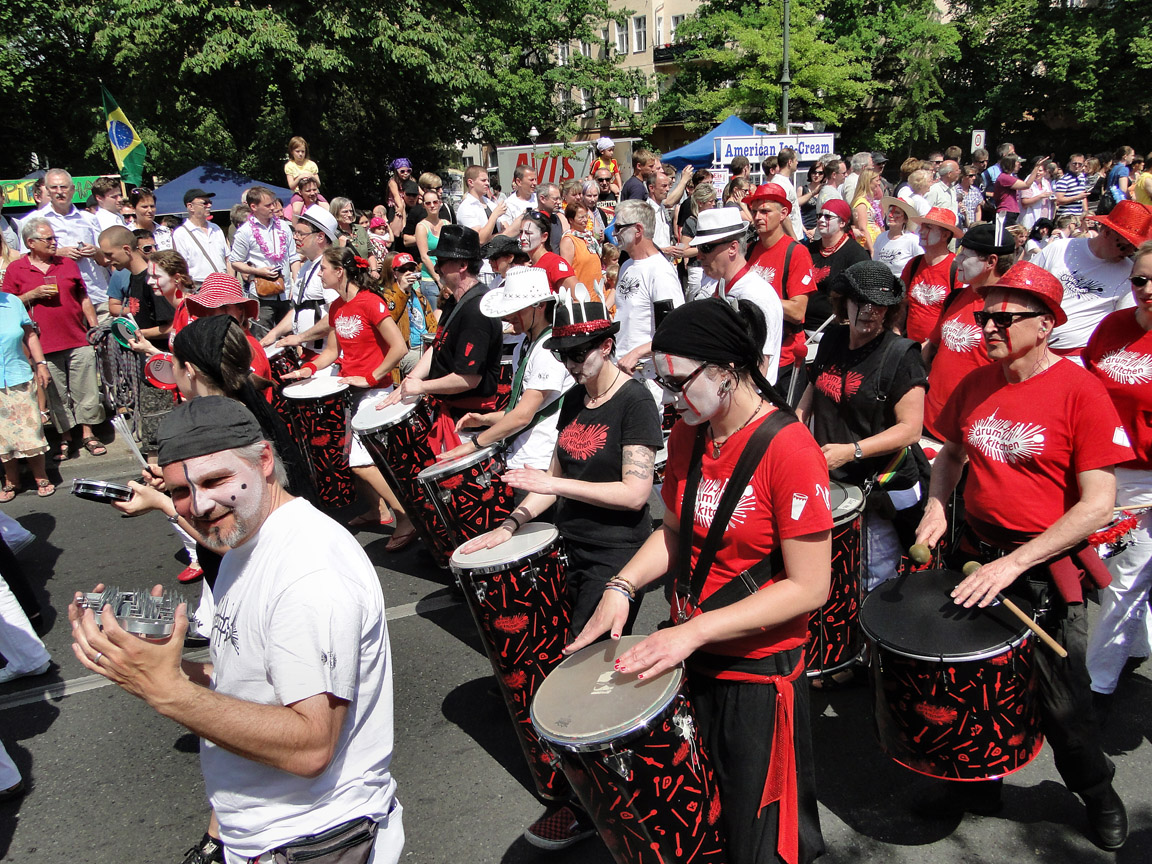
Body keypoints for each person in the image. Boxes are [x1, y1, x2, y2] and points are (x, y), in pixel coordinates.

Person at [70, 396, 405, 864]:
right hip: (268, 835)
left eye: (215, 480)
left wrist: (165, 691)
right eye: (181, 490)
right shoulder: (244, 540)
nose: (199, 505)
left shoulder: (309, 574)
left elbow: (311, 746)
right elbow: (249, 677)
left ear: (264, 461)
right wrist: (154, 665)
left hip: (313, 842)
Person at [566, 296, 832, 864]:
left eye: (680, 381)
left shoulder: (790, 449)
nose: (670, 397)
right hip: (695, 654)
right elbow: (674, 531)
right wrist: (622, 586)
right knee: (697, 824)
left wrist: (694, 630)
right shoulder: (691, 432)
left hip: (759, 673)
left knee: (758, 840)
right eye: (662, 382)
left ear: (727, 372)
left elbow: (811, 588)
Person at [913, 262, 1130, 850]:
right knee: (972, 685)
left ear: (1046, 324)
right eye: (984, 315)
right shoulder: (977, 381)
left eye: (1003, 318)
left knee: (1062, 700)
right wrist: (937, 505)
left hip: (1042, 570)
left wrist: (1015, 563)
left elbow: (1098, 505)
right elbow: (951, 455)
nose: (987, 326)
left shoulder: (1080, 390)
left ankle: (1096, 790)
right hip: (973, 557)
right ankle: (978, 783)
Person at [460, 294, 662, 850]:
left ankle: (589, 806)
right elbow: (548, 478)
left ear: (606, 346)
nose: (571, 363)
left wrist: (556, 487)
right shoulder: (574, 400)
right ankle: (598, 784)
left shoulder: (636, 402)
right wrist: (511, 524)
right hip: (566, 546)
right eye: (564, 353)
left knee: (584, 673)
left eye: (579, 353)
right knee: (560, 664)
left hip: (616, 554)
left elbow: (635, 493)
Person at [798, 260, 928, 597]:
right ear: (845, 303)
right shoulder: (833, 338)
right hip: (830, 482)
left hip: (878, 488)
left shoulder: (901, 355)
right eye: (862, 302)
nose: (870, 312)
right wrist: (796, 426)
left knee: (873, 579)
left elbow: (911, 430)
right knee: (829, 575)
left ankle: (871, 646)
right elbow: (812, 389)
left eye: (880, 306)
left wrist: (852, 451)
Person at [279, 247, 413, 540]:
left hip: (376, 392)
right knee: (347, 456)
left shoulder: (370, 302)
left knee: (363, 463)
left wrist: (371, 376)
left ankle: (406, 517)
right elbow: (331, 351)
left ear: (340, 271)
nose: (321, 273)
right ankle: (378, 510)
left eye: (324, 268)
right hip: (349, 389)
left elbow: (399, 348)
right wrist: (308, 369)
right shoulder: (338, 307)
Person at [1084, 241, 1152, 709]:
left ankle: (1096, 685)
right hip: (1101, 471)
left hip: (1147, 482)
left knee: (1123, 581)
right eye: (1141, 280)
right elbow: (1086, 386)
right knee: (1110, 572)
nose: (1146, 289)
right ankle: (1138, 646)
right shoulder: (1114, 324)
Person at [441, 266, 573, 470]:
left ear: (538, 306)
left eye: (517, 310)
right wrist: (484, 419)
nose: (508, 317)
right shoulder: (525, 345)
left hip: (540, 462)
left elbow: (523, 415)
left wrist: (474, 444)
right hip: (523, 458)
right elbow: (520, 410)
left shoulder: (548, 350)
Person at [382, 225, 503, 433]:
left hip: (470, 421)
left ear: (463, 265)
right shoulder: (456, 301)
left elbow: (469, 378)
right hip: (452, 412)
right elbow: (438, 345)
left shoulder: (477, 310)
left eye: (442, 262)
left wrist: (422, 387)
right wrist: (411, 380)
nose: (436, 268)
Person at [4, 217, 105, 460]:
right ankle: (65, 437)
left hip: (76, 336)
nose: (54, 242)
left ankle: (88, 433)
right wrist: (32, 294)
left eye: (53, 238)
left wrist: (94, 328)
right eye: (47, 239)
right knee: (55, 393)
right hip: (44, 342)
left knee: (86, 389)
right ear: (31, 242)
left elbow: (83, 297)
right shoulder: (16, 268)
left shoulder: (66, 264)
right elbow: (6, 305)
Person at [922, 222, 1015, 440]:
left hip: (969, 433)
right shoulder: (956, 296)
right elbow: (932, 346)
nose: (957, 259)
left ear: (991, 261)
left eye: (965, 254)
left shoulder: (1010, 312)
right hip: (928, 423)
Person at [1034, 199, 1150, 357]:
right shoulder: (1060, 248)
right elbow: (1025, 285)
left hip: (1077, 357)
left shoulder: (1132, 274)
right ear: (1107, 232)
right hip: (1033, 347)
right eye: (1124, 245)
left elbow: (1123, 321)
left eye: (1134, 248)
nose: (1129, 252)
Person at [744, 183, 818, 406]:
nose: (758, 217)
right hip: (756, 354)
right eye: (755, 211)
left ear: (784, 213)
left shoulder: (796, 252)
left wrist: (758, 298)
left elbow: (798, 311)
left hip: (785, 358)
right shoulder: (750, 250)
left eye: (765, 211)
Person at [690, 208, 783, 382]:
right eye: (698, 248)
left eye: (706, 248)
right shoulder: (725, 286)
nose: (700, 255)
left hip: (746, 403)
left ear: (733, 248)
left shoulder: (755, 295)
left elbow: (759, 370)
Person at [611, 200, 684, 402]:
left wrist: (636, 353)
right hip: (622, 371)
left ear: (638, 230)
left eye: (618, 227)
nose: (614, 233)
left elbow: (673, 331)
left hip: (647, 377)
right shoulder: (627, 265)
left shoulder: (660, 272)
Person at [30, 170, 110, 318]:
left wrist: (94, 250)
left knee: (106, 340)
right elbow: (25, 259)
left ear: (73, 190)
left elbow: (105, 259)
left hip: (95, 293)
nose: (59, 192)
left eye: (64, 187)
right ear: (47, 190)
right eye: (54, 188)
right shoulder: (34, 220)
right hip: (61, 298)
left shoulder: (88, 219)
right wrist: (58, 253)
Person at [0, 282, 54, 499]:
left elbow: (30, 335)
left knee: (31, 430)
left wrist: (41, 364)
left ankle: (40, 475)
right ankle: (11, 479)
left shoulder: (12, 301)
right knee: (2, 435)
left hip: (19, 375)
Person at [230, 187, 296, 332]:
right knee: (263, 336)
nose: (273, 207)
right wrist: (258, 271)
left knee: (289, 336)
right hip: (262, 294)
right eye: (268, 205)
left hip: (286, 292)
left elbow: (294, 257)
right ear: (253, 206)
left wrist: (296, 284)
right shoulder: (245, 231)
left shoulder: (283, 226)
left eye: (273, 203)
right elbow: (235, 262)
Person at [804, 196, 870, 332]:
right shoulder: (808, 250)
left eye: (828, 217)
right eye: (819, 216)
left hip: (832, 330)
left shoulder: (856, 254)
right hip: (803, 327)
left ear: (842, 223)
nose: (821, 220)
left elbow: (863, 294)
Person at [899, 207, 962, 344]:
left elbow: (957, 315)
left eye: (928, 227)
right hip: (910, 346)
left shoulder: (956, 268)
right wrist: (896, 332)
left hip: (938, 349)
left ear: (945, 236)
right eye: (921, 226)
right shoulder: (914, 264)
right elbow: (902, 303)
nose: (920, 231)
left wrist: (929, 347)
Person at [173, 188, 232, 287]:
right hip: (199, 285)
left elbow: (228, 258)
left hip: (223, 284)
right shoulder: (180, 234)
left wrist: (231, 281)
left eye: (210, 202)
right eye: (204, 203)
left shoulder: (216, 228)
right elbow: (181, 267)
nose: (209, 205)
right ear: (190, 207)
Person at [520, 210, 576, 292]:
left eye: (528, 233)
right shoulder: (530, 265)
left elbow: (579, 297)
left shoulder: (554, 263)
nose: (522, 237)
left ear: (544, 237)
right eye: (521, 232)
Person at [559, 202, 603, 300]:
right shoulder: (568, 240)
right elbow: (566, 273)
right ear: (571, 220)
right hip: (582, 297)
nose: (585, 220)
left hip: (597, 294)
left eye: (586, 216)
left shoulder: (590, 238)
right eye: (581, 218)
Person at [873, 197, 923, 278]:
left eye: (896, 212)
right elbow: (874, 263)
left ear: (905, 219)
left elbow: (920, 265)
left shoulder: (913, 240)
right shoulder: (880, 238)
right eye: (890, 211)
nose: (890, 215)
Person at [850, 168, 885, 254]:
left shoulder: (869, 201)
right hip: (866, 246)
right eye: (877, 180)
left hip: (875, 242)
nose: (879, 183)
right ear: (868, 181)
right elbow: (863, 228)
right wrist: (872, 250)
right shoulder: (861, 203)